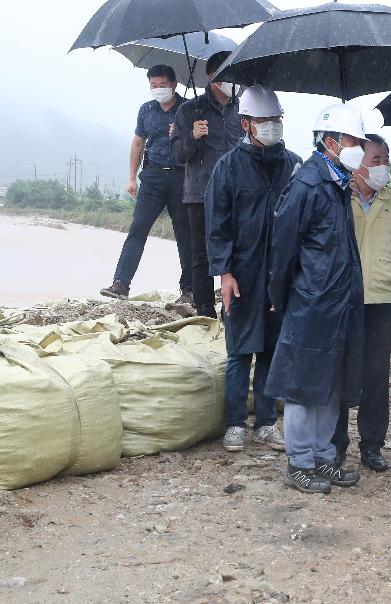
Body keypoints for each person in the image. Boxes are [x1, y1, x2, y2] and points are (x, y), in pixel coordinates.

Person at [267, 104, 367, 494]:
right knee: (302, 384)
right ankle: (300, 462)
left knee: (331, 383)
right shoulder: (308, 184)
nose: (358, 147)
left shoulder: (338, 183)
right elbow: (283, 248)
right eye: (353, 141)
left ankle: (325, 459)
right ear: (330, 142)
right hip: (311, 301)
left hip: (338, 301)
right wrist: (283, 297)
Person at [204, 86, 300, 454]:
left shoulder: (293, 165)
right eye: (264, 121)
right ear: (246, 123)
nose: (271, 127)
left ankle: (265, 423)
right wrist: (224, 273)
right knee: (240, 352)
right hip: (242, 275)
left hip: (280, 275)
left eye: (275, 121)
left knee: (272, 352)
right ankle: (234, 424)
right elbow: (217, 224)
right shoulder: (228, 167)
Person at [330, 133, 391, 472]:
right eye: (375, 160)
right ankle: (335, 446)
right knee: (338, 374)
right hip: (342, 300)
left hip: (380, 300)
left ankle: (372, 445)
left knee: (376, 375)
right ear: (357, 161)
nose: (382, 167)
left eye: (386, 161)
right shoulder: (336, 197)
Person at [101, 65, 193, 301]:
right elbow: (137, 144)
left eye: (163, 85)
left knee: (185, 234)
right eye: (154, 85)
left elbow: (198, 144)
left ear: (173, 84)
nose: (158, 89)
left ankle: (188, 289)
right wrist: (132, 178)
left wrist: (182, 132)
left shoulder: (188, 109)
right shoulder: (146, 110)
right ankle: (121, 283)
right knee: (138, 228)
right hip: (151, 176)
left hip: (182, 177)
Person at [171, 51, 243, 318]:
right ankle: (204, 309)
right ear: (212, 77)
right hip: (200, 193)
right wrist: (192, 136)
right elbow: (179, 154)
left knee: (237, 250)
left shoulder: (242, 110)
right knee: (200, 255)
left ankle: (233, 305)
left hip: (237, 193)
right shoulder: (189, 110)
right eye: (227, 73)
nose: (231, 80)